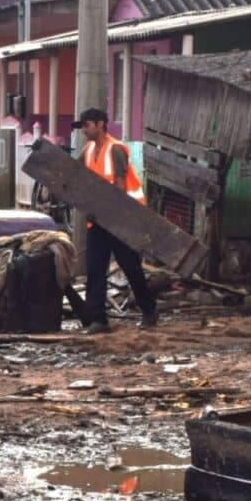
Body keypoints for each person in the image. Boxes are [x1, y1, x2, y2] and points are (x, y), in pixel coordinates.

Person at [74, 107, 158, 335]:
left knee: (130, 266)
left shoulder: (116, 149)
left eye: (87, 125)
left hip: (120, 219)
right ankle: (98, 320)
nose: (84, 130)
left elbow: (120, 187)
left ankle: (149, 310)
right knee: (95, 269)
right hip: (99, 221)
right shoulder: (89, 150)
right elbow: (75, 173)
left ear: (100, 124)